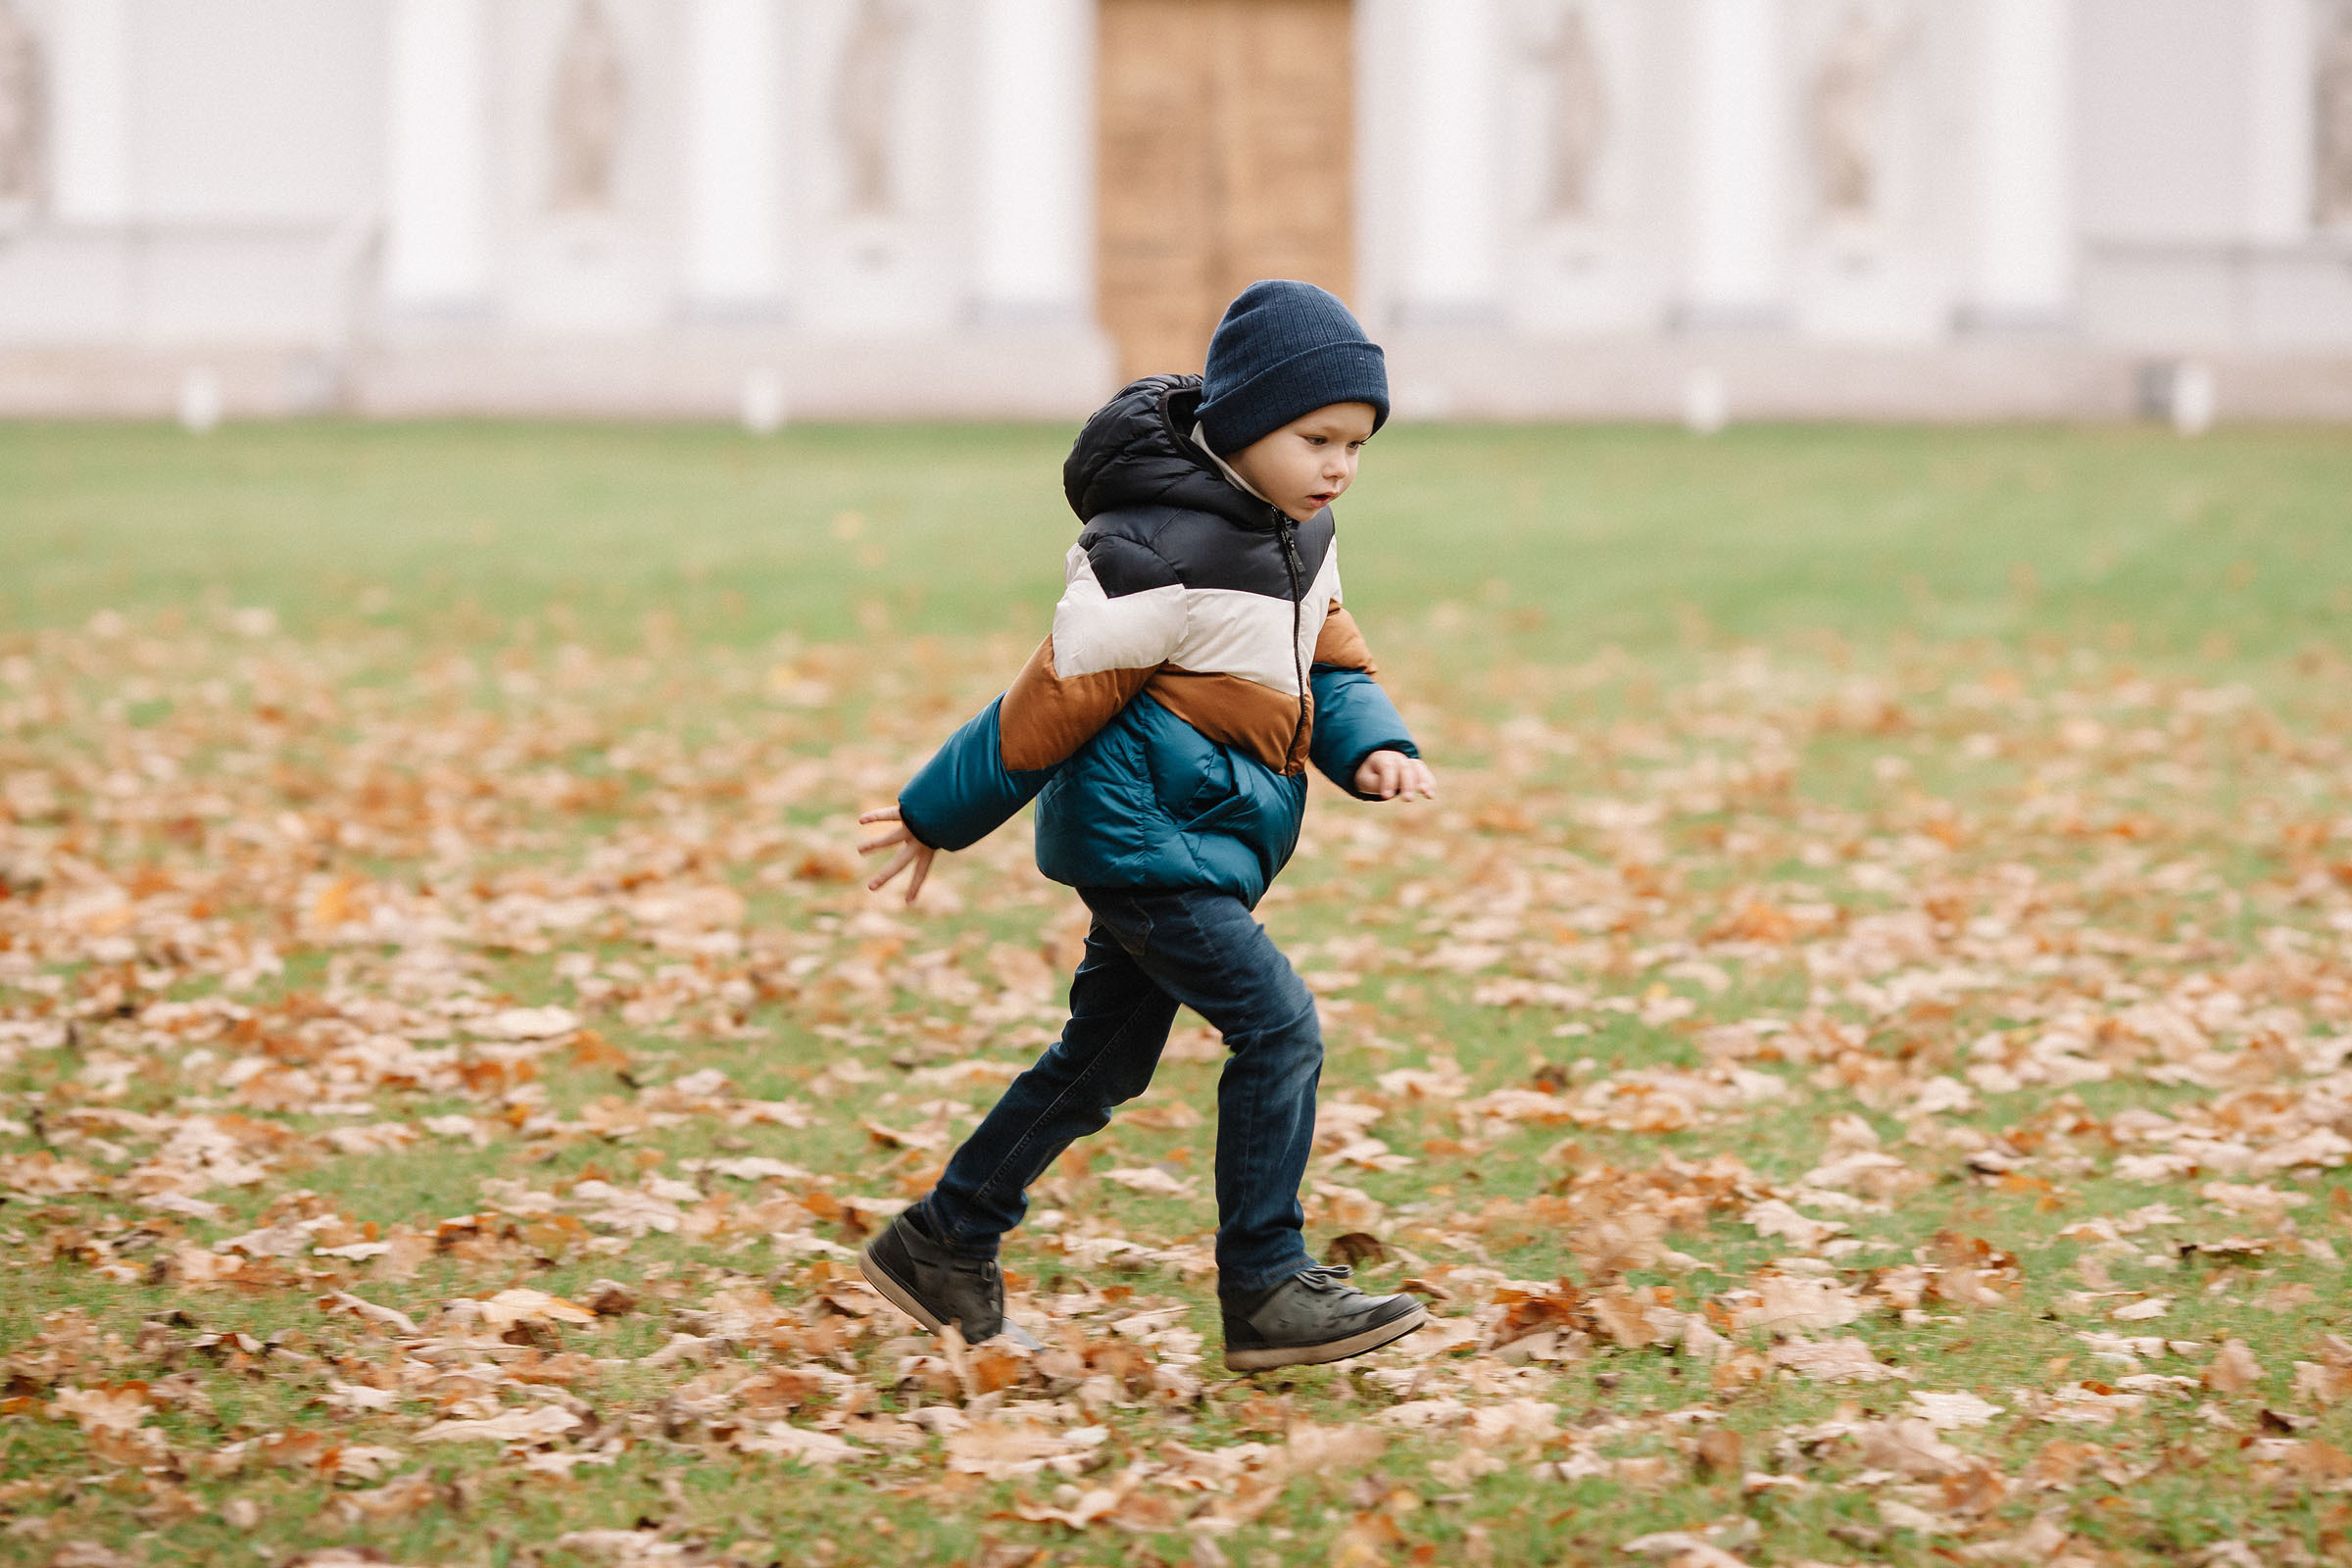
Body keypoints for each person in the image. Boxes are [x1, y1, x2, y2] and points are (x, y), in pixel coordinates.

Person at [856, 280, 1436, 1372]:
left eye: (1357, 445)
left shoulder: (1303, 538)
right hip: (1144, 844)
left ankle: (944, 1239)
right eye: (1317, 440)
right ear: (1245, 422)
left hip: (1201, 836)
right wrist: (935, 811)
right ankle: (1265, 1284)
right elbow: (1051, 699)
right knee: (1279, 1027)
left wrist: (1373, 746)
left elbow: (1328, 659)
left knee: (1103, 1062)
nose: (1338, 468)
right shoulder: (1152, 549)